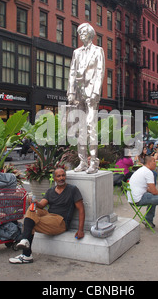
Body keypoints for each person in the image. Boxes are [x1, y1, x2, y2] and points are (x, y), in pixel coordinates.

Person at [9, 167, 85, 264]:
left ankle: (26, 253)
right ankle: (25, 244)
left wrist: (80, 230)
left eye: (63, 175)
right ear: (54, 178)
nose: (61, 178)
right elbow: (41, 205)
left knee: (30, 223)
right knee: (32, 209)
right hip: (48, 215)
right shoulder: (50, 191)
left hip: (60, 221)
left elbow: (81, 209)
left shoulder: (73, 189)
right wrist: (34, 202)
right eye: (58, 176)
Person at [67, 23, 105, 174]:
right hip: (78, 94)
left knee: (91, 127)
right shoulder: (76, 52)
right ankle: (82, 161)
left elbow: (100, 71)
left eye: (83, 32)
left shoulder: (98, 50)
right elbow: (72, 72)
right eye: (79, 32)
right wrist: (70, 92)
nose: (81, 34)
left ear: (90, 34)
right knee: (80, 129)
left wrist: (96, 92)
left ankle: (94, 162)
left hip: (91, 93)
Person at [128, 156, 158, 235]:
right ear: (149, 163)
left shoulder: (141, 170)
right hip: (139, 199)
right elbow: (154, 191)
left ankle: (148, 220)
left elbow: (150, 190)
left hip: (133, 198)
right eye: (154, 161)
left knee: (153, 196)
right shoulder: (148, 172)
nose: (156, 163)